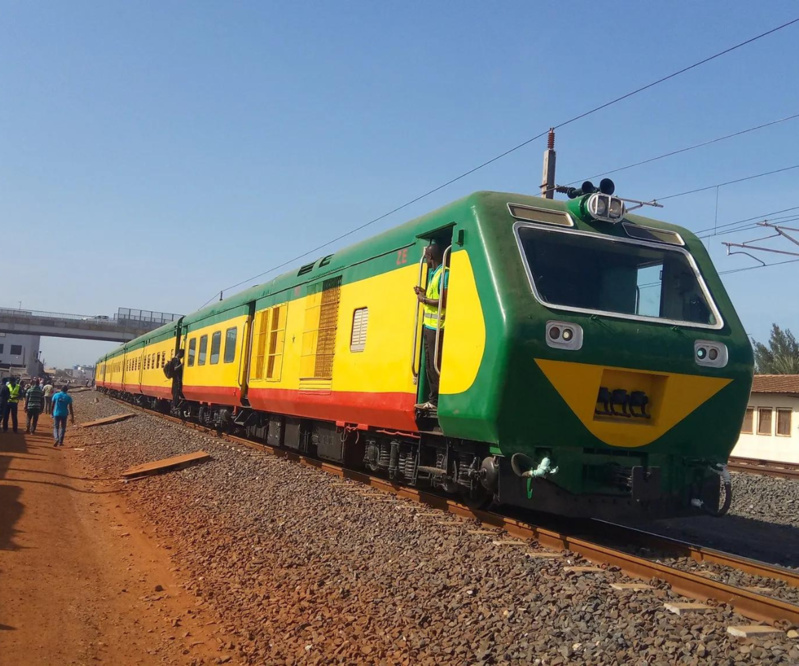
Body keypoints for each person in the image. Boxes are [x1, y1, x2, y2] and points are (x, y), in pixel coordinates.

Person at [413, 242, 448, 411]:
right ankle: (432, 399)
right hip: (429, 326)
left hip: (438, 327)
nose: (425, 260)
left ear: (430, 257)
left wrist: (423, 299)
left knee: (434, 365)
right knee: (428, 364)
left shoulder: (444, 274)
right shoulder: (434, 273)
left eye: (426, 257)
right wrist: (423, 292)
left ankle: (434, 401)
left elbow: (444, 301)